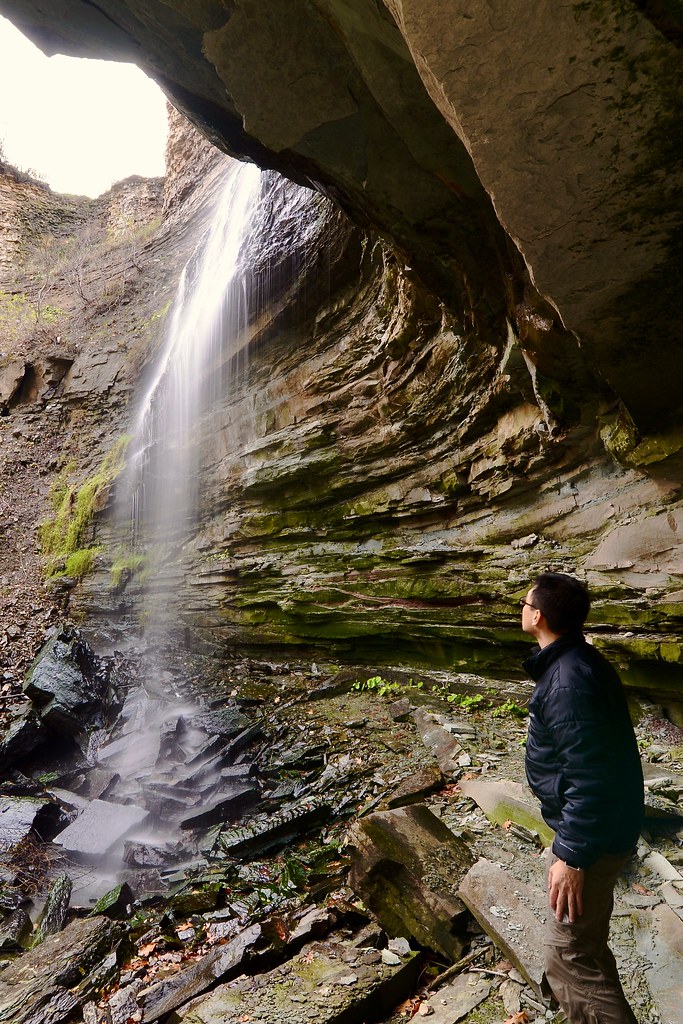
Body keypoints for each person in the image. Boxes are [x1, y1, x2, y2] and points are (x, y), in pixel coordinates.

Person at [521, 571, 644, 1024]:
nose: (521, 610)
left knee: (567, 956)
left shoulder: (567, 681)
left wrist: (572, 856)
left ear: (538, 615)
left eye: (524, 603)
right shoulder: (574, 663)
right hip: (603, 829)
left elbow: (592, 777)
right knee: (583, 947)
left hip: (593, 838)